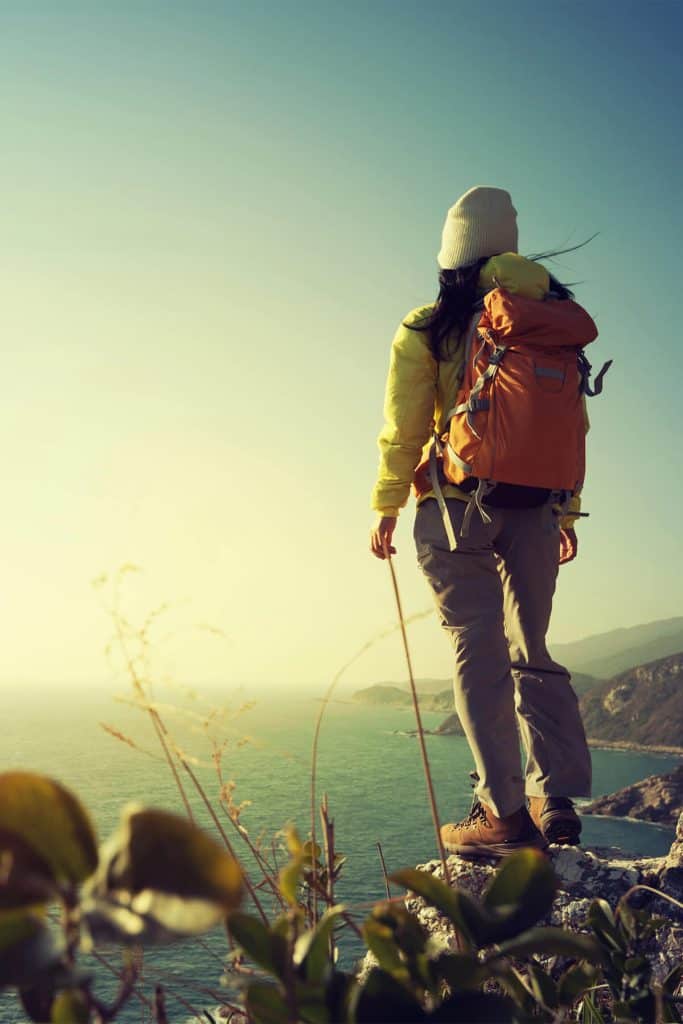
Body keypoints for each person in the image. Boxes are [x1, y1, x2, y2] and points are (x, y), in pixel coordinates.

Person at [369, 186, 594, 858]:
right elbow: (573, 423)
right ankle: (554, 801)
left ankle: (502, 815)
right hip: (536, 505)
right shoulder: (547, 317)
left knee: (478, 649)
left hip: (455, 505)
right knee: (532, 649)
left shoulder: (428, 326)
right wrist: (565, 508)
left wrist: (386, 503)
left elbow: (405, 427)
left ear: (451, 255)